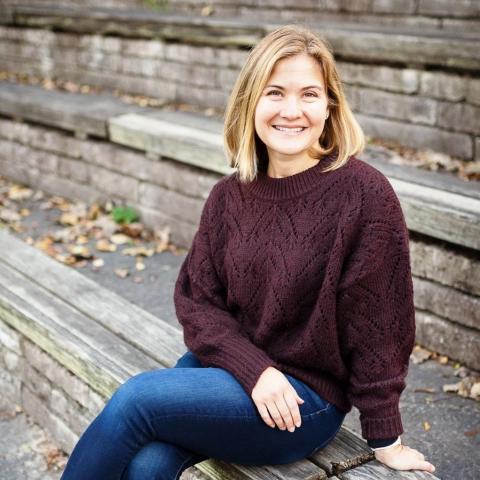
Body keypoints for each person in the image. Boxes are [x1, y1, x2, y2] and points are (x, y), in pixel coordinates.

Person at [60, 24, 436, 479]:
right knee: (148, 462)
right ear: (251, 101)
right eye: (275, 92)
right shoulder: (228, 195)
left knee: (136, 401)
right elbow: (198, 302)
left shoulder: (363, 194)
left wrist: (385, 437)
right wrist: (254, 368)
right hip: (231, 369)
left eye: (309, 95)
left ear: (330, 105)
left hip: (303, 401)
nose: (292, 111)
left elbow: (380, 325)